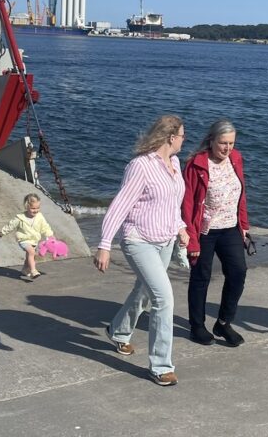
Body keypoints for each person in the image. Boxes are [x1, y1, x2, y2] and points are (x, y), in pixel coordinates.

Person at [93, 115, 189, 387]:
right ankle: (160, 366)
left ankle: (119, 331)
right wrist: (104, 245)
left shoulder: (175, 164)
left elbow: (171, 204)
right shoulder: (140, 166)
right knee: (164, 299)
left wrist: (181, 227)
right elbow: (120, 205)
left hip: (165, 239)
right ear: (171, 137)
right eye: (182, 135)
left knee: (144, 292)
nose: (184, 140)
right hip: (138, 240)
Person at [181, 119, 250, 347]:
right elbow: (187, 204)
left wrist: (244, 226)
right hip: (204, 230)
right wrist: (191, 239)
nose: (227, 148)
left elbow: (240, 194)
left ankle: (223, 323)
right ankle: (197, 326)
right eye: (223, 143)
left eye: (231, 143)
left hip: (230, 228)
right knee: (201, 277)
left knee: (238, 273)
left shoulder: (236, 159)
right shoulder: (196, 164)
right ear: (211, 141)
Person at [0, 193, 53, 279]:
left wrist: (50, 235)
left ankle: (25, 269)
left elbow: (45, 227)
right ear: (27, 206)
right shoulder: (20, 218)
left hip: (34, 240)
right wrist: (3, 232)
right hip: (23, 239)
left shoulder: (40, 217)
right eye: (33, 208)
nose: (36, 210)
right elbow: (11, 225)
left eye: (38, 208)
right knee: (31, 252)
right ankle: (33, 271)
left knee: (30, 257)